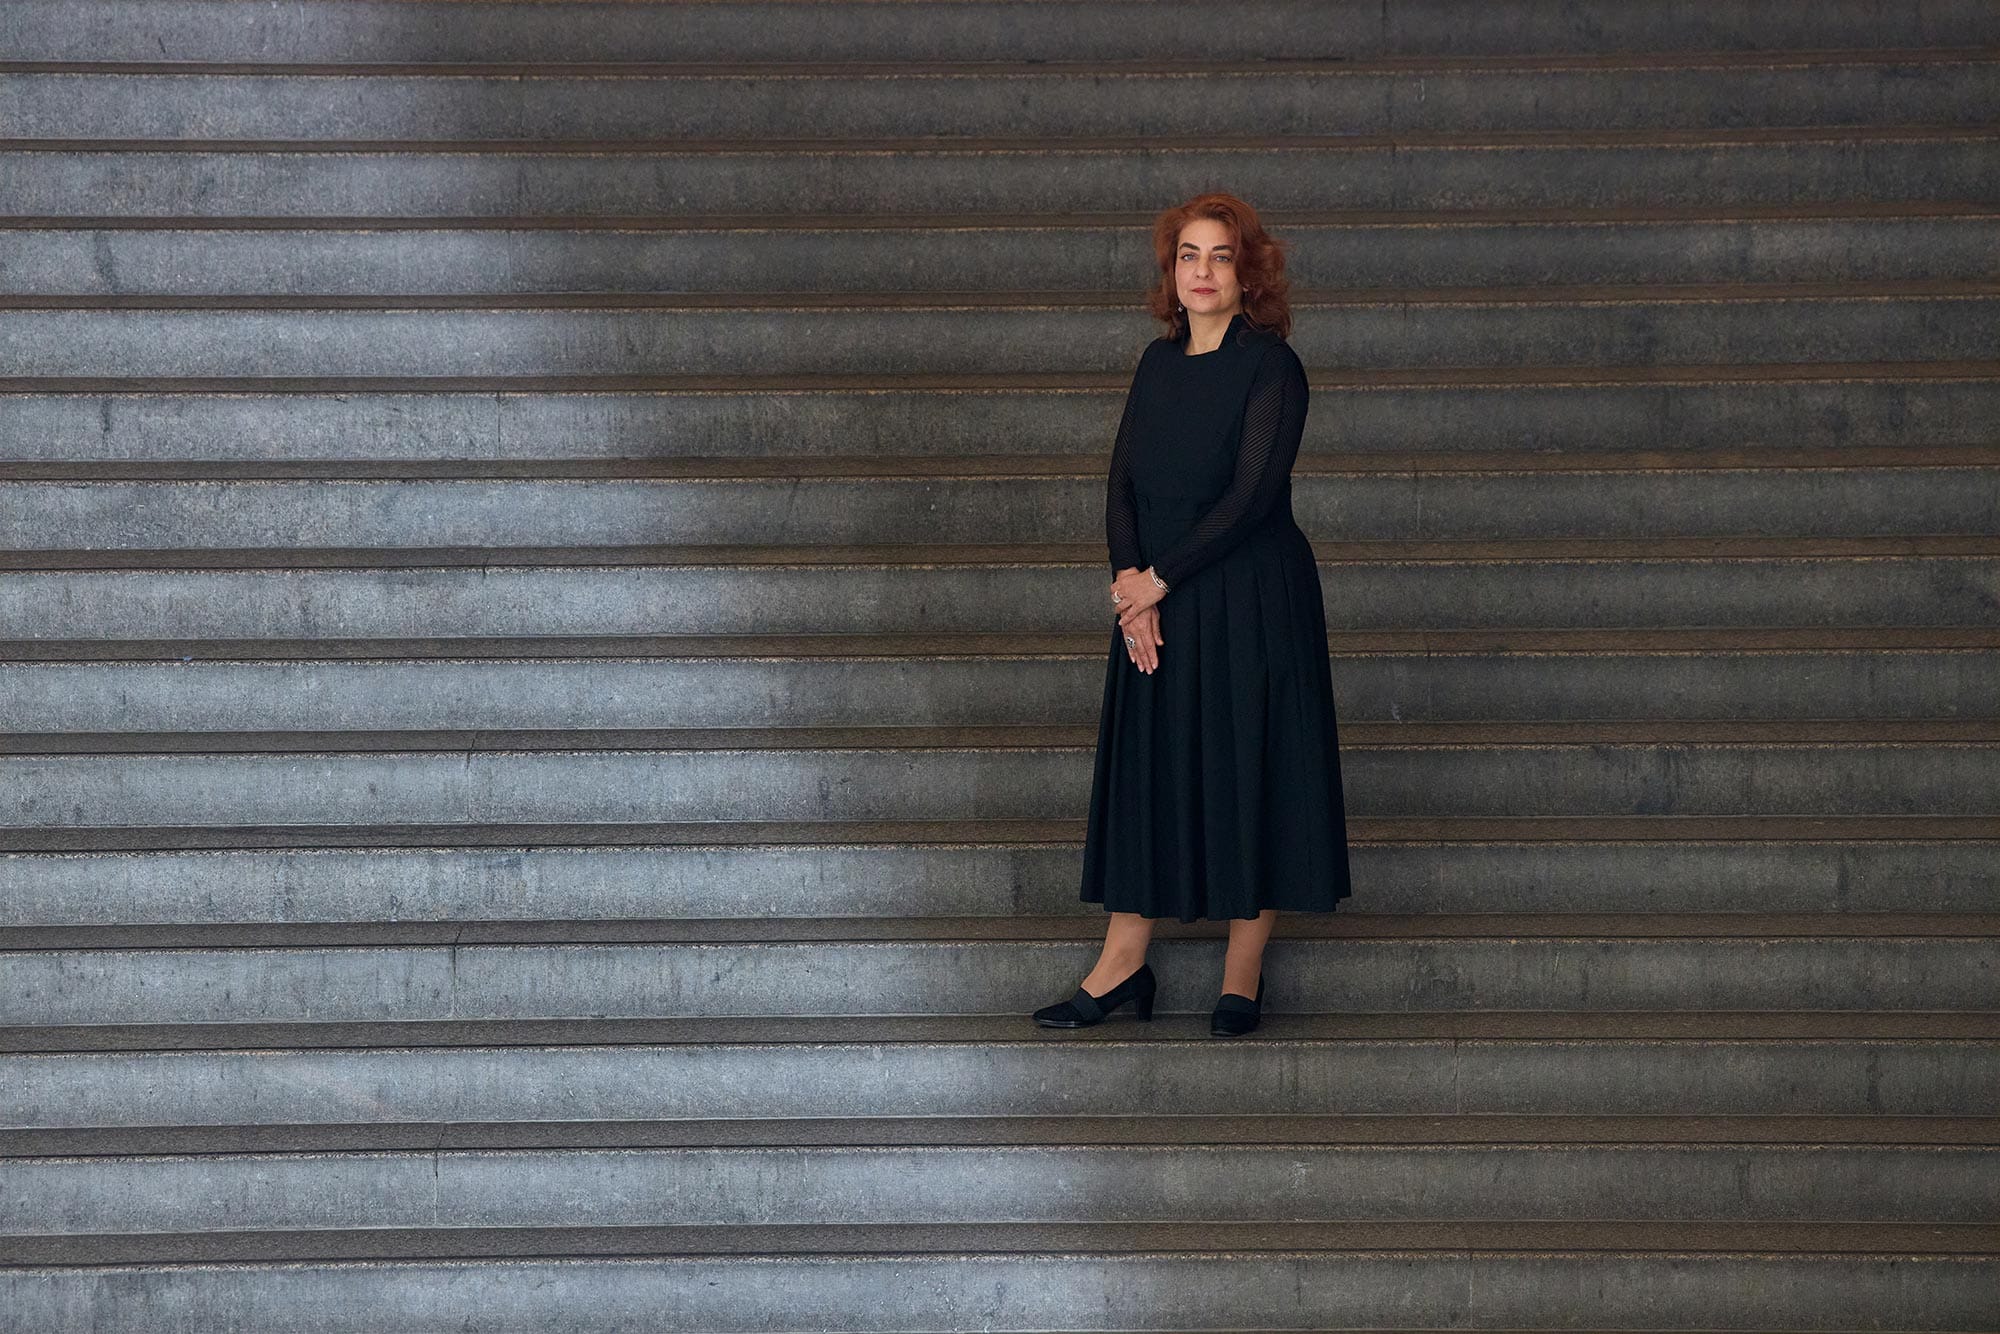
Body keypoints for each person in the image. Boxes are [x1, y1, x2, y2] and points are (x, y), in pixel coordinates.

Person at [1033, 192, 1354, 1038]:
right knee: (1149, 771)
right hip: (1161, 599)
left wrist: (1156, 581)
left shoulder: (1273, 368)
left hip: (1251, 598)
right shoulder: (1155, 362)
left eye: (1219, 256)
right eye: (1188, 256)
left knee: (1255, 765)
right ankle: (1122, 964)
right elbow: (1121, 483)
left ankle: (1242, 972)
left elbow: (1250, 500)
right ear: (1171, 275)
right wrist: (1126, 587)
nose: (1202, 272)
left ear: (1248, 273)